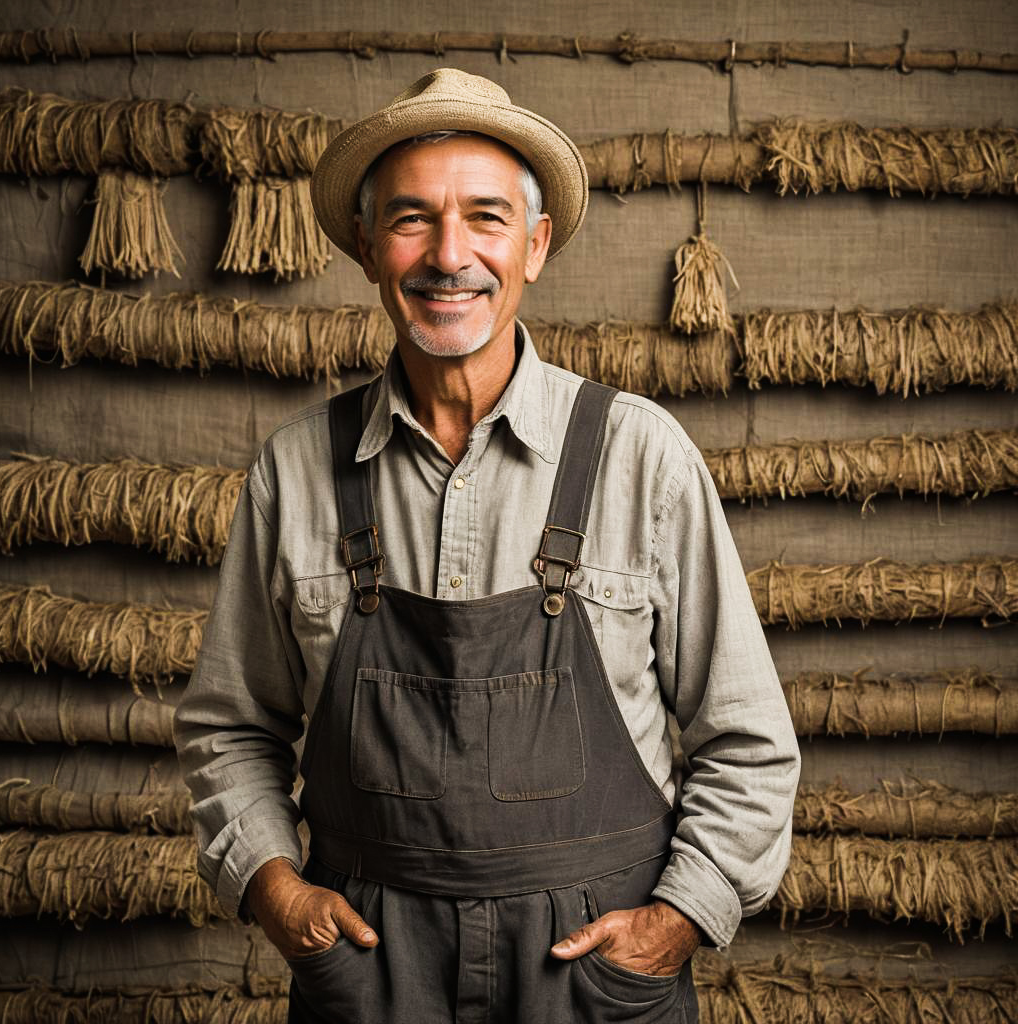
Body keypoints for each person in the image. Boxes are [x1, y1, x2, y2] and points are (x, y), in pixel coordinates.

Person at [175, 68, 800, 1023]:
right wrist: (274, 890)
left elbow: (749, 742)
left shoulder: (642, 458)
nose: (449, 255)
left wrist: (680, 918)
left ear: (536, 246)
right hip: (376, 976)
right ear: (368, 247)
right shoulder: (295, 472)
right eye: (413, 219)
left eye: (486, 218)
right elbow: (228, 729)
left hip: (591, 976)